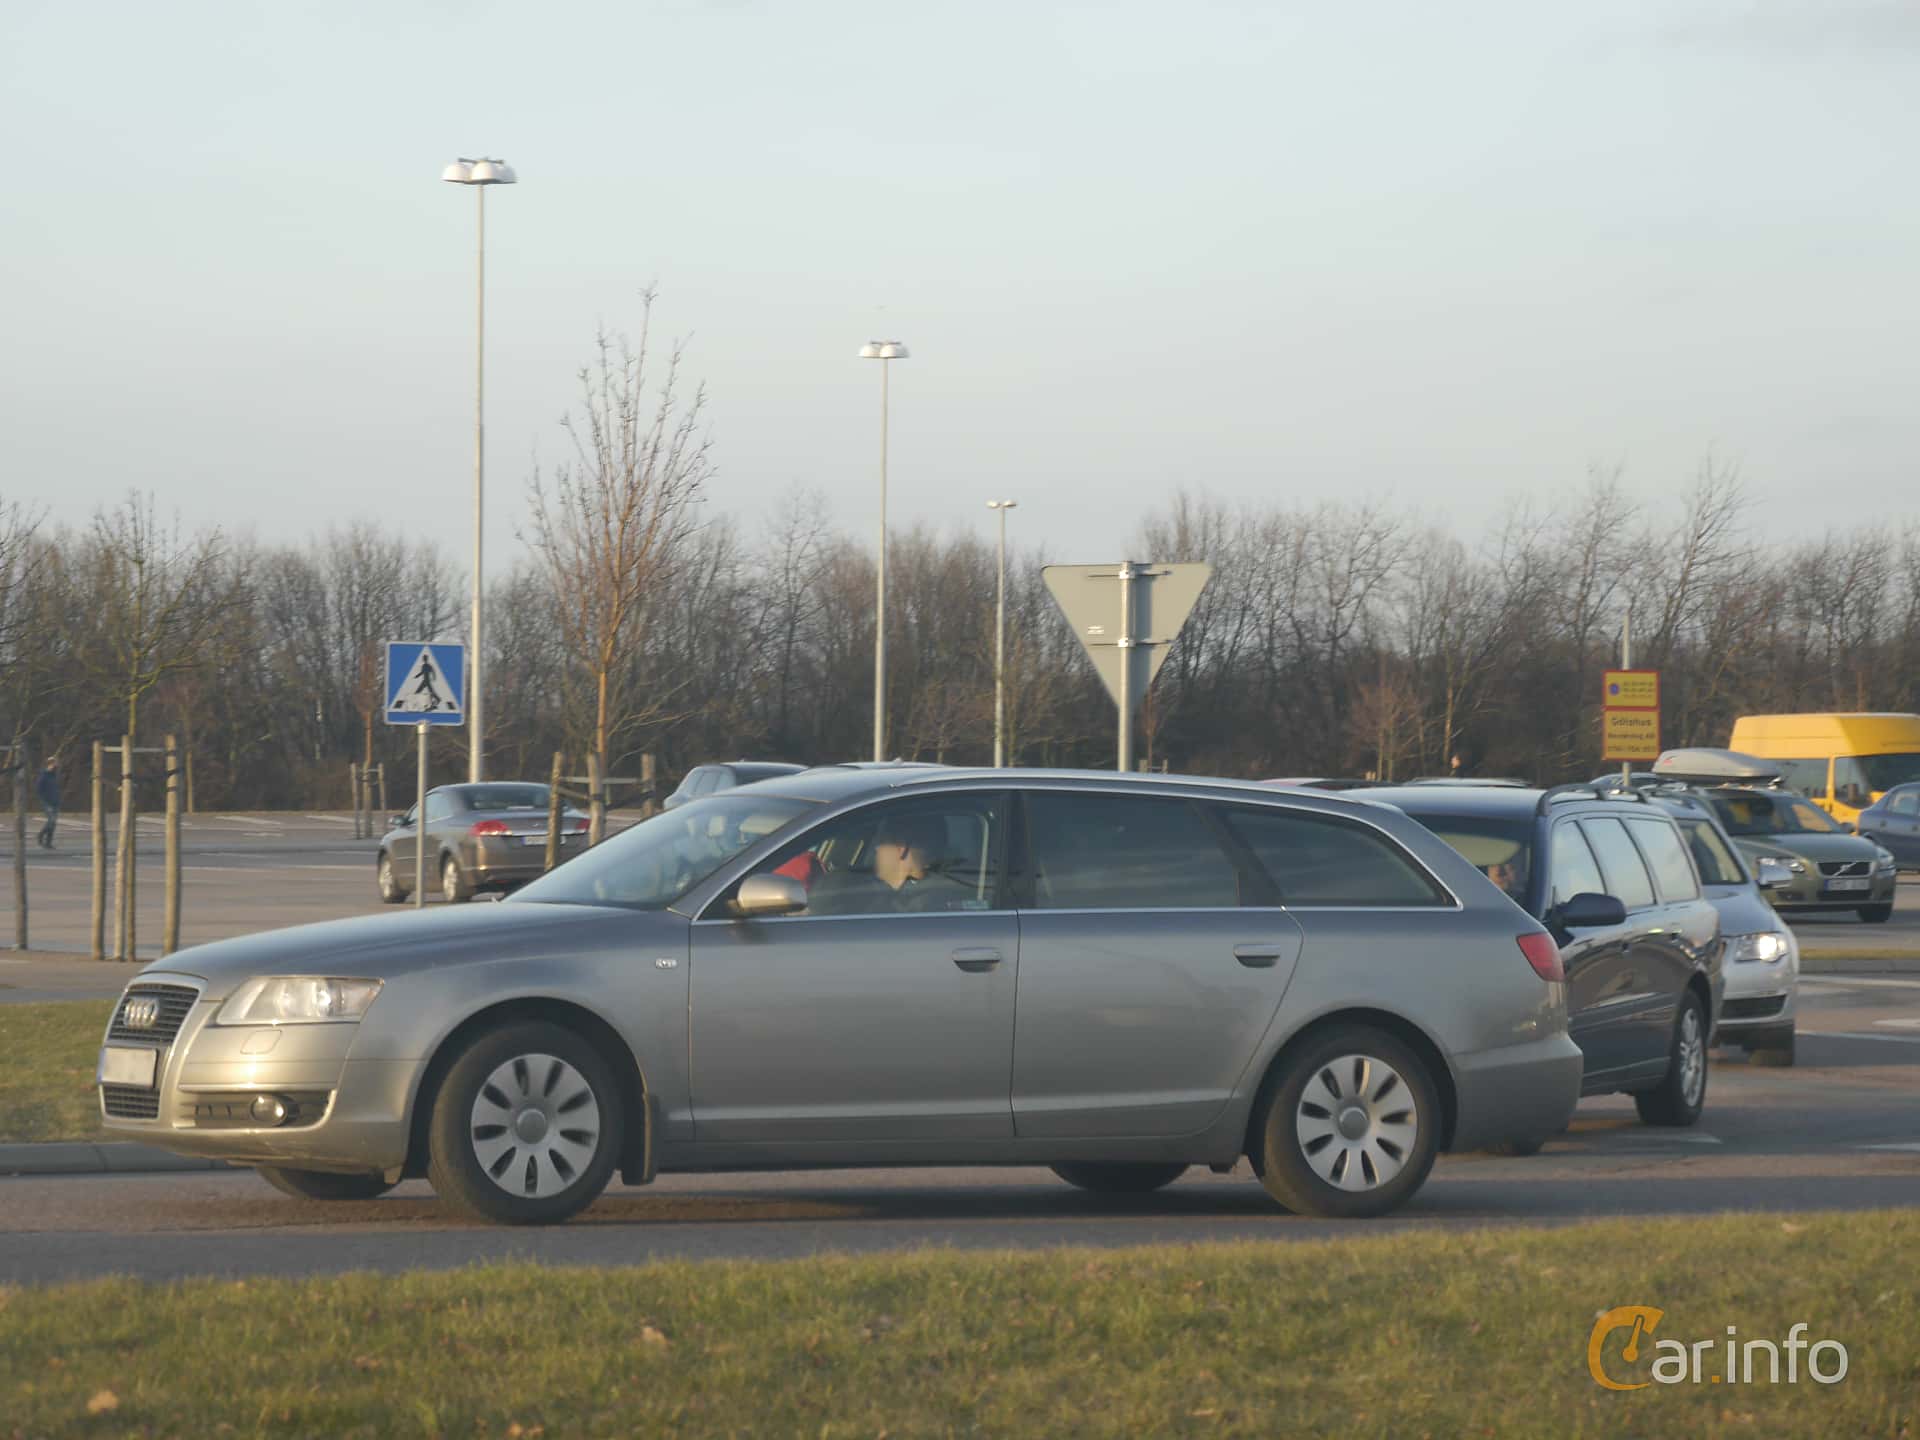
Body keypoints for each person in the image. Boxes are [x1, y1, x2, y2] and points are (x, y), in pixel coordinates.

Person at [35, 756, 60, 850]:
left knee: (53, 824)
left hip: (55, 802)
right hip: (47, 802)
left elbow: (55, 789)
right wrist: (45, 801)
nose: (57, 765)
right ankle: (40, 835)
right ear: (50, 764)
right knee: (51, 821)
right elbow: (39, 790)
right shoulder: (44, 775)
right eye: (55, 763)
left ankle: (48, 843)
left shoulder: (54, 775)